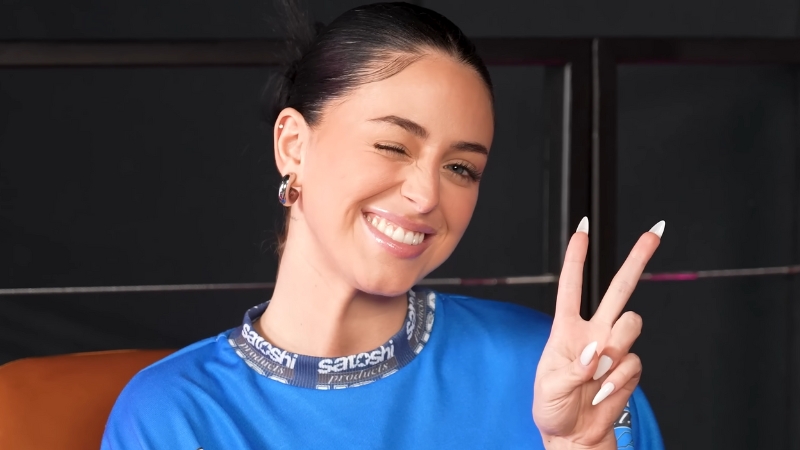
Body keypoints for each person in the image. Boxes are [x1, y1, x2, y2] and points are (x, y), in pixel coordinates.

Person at [101, 2, 665, 449]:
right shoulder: (175, 416)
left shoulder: (560, 369)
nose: (425, 195)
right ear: (294, 145)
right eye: (393, 145)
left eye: (461, 168)